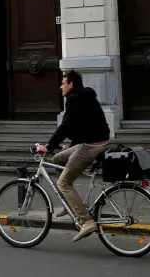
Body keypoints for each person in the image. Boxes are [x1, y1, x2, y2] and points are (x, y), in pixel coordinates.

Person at [37, 70, 111, 242]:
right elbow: (81, 124)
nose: (60, 86)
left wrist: (48, 146)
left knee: (63, 182)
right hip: (96, 140)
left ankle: (86, 221)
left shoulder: (75, 99)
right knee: (58, 159)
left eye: (63, 83)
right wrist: (69, 147)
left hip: (91, 145)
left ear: (71, 84)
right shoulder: (84, 96)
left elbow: (66, 126)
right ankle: (70, 203)